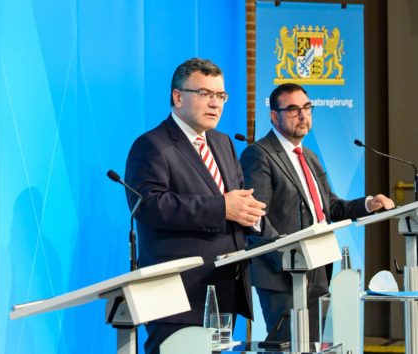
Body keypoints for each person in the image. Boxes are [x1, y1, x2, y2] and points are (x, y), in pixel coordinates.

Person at [124, 58, 272, 354]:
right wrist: (221, 208)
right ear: (178, 97)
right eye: (205, 94)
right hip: (177, 295)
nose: (215, 104)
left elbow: (237, 199)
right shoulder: (152, 145)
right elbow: (150, 205)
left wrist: (252, 217)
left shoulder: (223, 142)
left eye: (221, 96)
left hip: (222, 289)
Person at [239, 83, 394, 342]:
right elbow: (256, 217)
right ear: (274, 116)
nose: (302, 115)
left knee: (313, 343)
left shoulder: (308, 155)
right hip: (282, 273)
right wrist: (286, 258)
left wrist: (368, 204)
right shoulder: (259, 154)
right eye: (292, 109)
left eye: (307, 108)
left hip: (317, 268)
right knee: (287, 343)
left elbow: (330, 208)